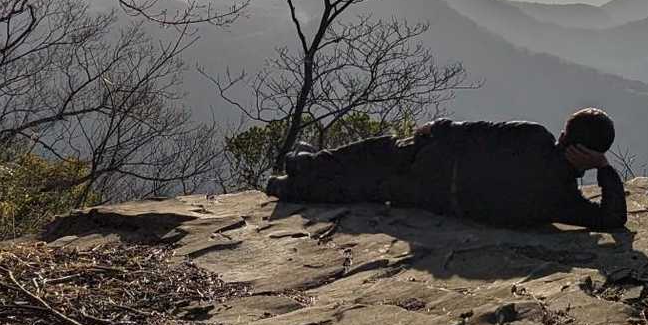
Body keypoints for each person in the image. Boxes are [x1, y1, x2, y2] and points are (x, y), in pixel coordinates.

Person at [264, 108, 628, 231]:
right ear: (593, 154)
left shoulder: (533, 136)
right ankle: (289, 186)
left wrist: (436, 128)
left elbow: (476, 132)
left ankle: (303, 165)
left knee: (371, 154)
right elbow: (613, 219)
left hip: (436, 160)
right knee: (371, 188)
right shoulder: (563, 201)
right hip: (437, 199)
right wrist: (604, 169)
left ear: (564, 134)